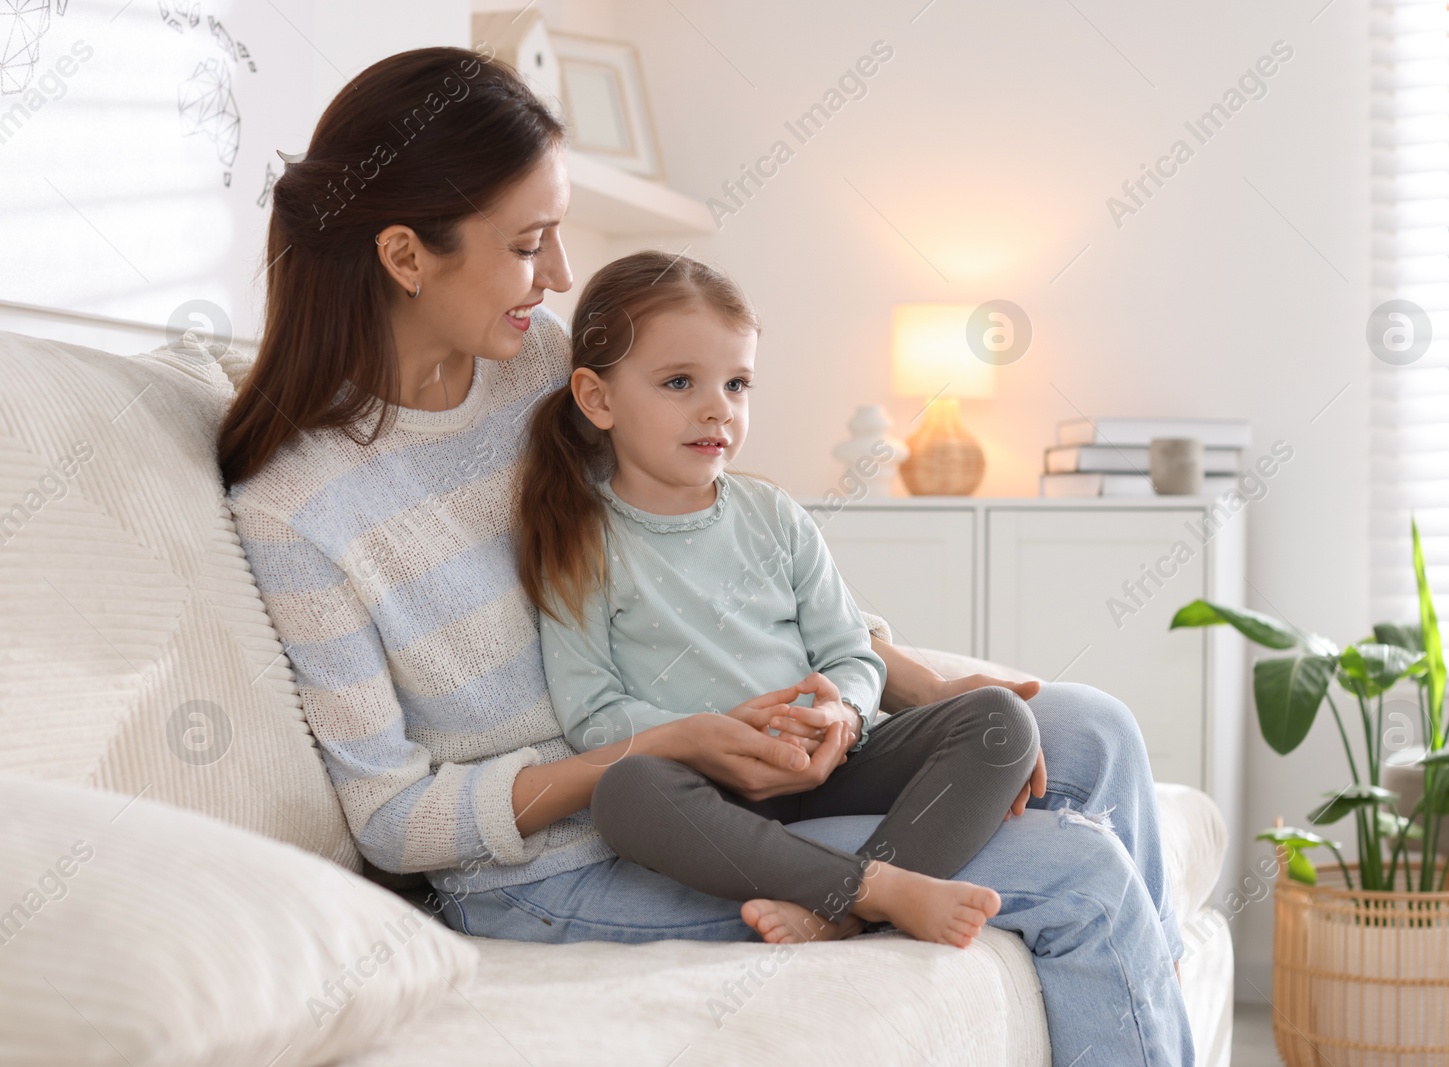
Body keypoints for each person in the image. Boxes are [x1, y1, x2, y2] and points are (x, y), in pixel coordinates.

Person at [220, 46, 1193, 1063]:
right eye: (528, 244)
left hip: (733, 759)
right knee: (1078, 871)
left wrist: (893, 675)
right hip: (579, 851)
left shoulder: (538, 364)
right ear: (406, 255)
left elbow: (697, 551)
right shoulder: (299, 511)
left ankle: (1142, 1003)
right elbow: (388, 815)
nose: (555, 277)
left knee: (1087, 726)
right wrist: (649, 749)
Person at [519, 249, 1041, 947]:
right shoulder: (577, 541)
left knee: (1001, 720)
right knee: (623, 791)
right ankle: (871, 893)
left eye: (737, 384)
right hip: (708, 790)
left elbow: (851, 651)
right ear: (598, 398)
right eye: (680, 381)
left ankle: (840, 909)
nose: (717, 408)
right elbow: (594, 716)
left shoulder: (774, 514)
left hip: (829, 764)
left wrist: (843, 714)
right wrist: (713, 734)